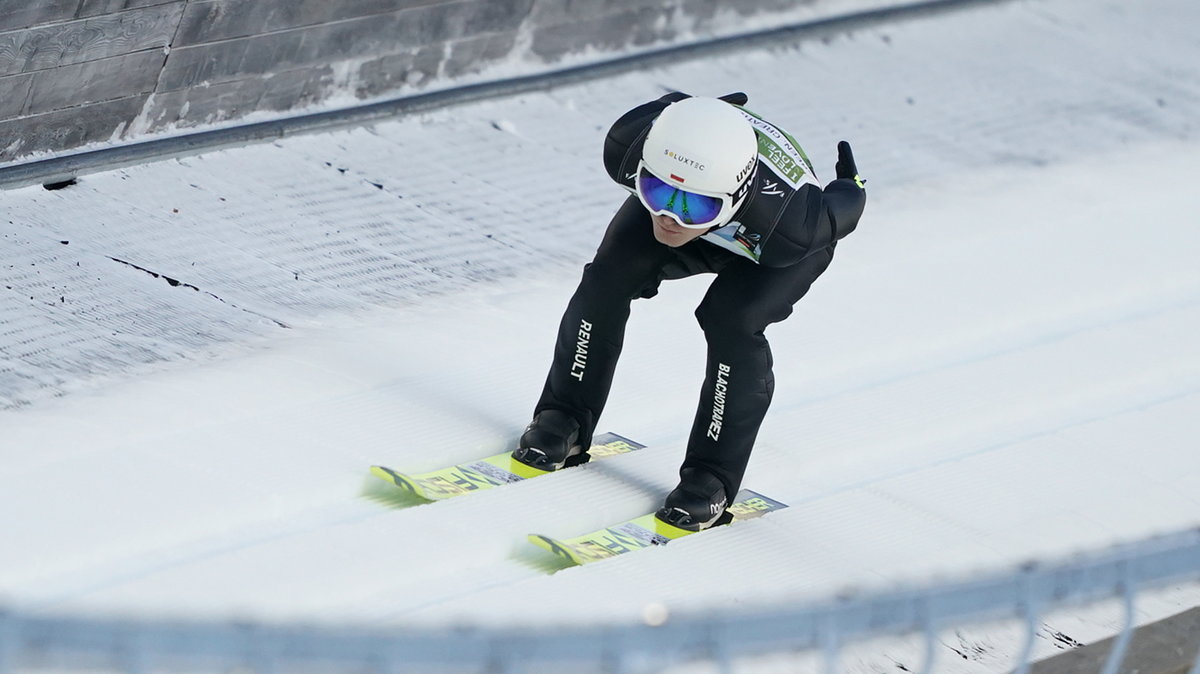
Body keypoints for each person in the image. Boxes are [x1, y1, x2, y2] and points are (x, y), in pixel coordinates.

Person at [511, 91, 866, 530]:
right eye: (655, 190)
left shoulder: (794, 226)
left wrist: (851, 185)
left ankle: (710, 477)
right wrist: (692, 108)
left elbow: (845, 209)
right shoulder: (628, 145)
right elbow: (670, 111)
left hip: (768, 249)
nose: (670, 218)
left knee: (732, 319)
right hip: (725, 211)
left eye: (694, 206)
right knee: (606, 279)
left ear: (733, 195)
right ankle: (564, 415)